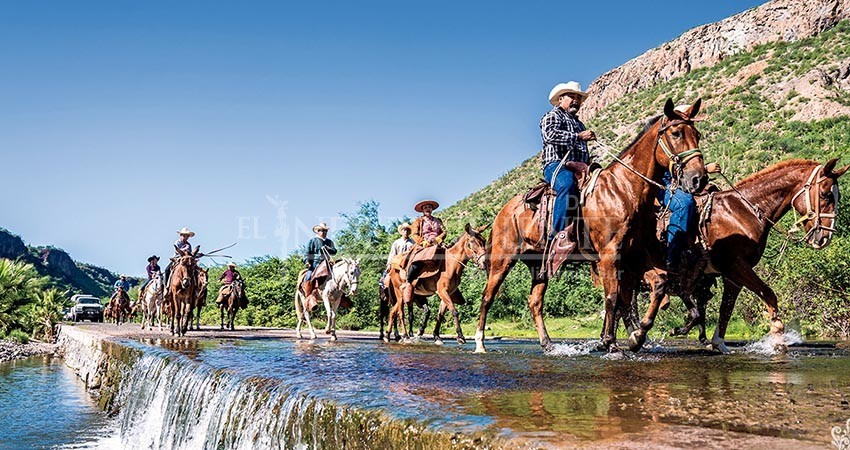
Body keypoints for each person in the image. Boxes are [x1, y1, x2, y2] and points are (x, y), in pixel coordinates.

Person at [660, 105, 720, 287]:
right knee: (684, 204)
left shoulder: (687, 138)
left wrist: (703, 171)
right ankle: (673, 256)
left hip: (679, 182)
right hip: (664, 183)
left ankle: (704, 251)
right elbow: (671, 168)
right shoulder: (668, 139)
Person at [540, 81, 596, 255]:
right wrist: (578, 136)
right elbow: (550, 135)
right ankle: (556, 237)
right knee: (566, 185)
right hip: (556, 164)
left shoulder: (580, 124)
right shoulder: (552, 115)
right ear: (560, 98)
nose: (576, 101)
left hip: (581, 166)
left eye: (578, 98)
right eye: (572, 97)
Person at [400, 200, 447, 303]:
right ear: (422, 210)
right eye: (425, 207)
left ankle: (452, 283)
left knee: (452, 258)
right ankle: (408, 282)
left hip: (437, 244)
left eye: (429, 207)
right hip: (424, 245)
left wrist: (438, 239)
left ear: (432, 209)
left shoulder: (438, 220)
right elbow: (414, 234)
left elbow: (444, 232)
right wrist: (424, 242)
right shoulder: (418, 221)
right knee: (417, 261)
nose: (427, 209)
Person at [301, 223, 337, 308]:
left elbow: (335, 251)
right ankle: (308, 295)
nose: (324, 232)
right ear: (318, 231)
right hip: (315, 263)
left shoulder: (329, 242)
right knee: (308, 277)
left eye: (325, 231)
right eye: (322, 230)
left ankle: (341, 296)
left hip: (328, 263)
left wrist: (329, 248)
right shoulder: (312, 241)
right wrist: (307, 261)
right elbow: (307, 253)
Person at [380, 222, 415, 289]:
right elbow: (392, 254)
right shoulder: (397, 242)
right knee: (386, 277)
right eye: (404, 230)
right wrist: (389, 264)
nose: (406, 232)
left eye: (407, 230)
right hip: (397, 263)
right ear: (401, 231)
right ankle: (384, 290)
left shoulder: (413, 243)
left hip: (408, 263)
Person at [163, 227, 195, 293]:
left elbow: (190, 254)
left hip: (187, 260)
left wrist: (196, 254)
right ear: (181, 235)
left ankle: (196, 288)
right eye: (184, 235)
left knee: (195, 270)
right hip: (177, 259)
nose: (185, 237)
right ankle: (166, 286)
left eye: (187, 236)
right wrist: (185, 251)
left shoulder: (189, 245)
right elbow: (177, 251)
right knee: (167, 270)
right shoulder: (177, 242)